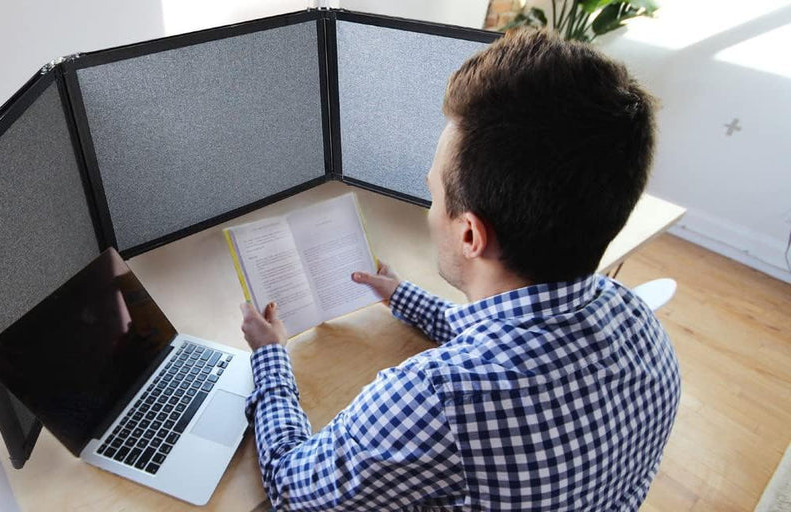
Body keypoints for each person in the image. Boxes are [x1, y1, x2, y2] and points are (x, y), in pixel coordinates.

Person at [238, 28, 680, 511]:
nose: (432, 209)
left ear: (470, 235)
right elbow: (505, 330)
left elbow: (290, 487)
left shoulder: (438, 399)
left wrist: (270, 357)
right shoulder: (640, 321)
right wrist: (401, 295)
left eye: (434, 194)